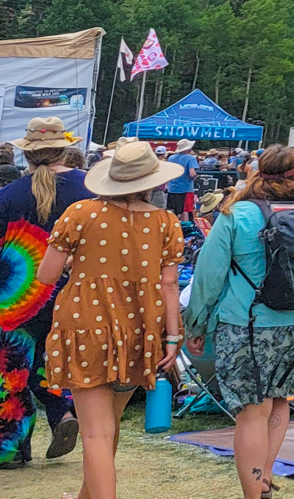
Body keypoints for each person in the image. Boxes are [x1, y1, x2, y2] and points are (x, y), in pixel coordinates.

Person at [186, 146, 294, 499]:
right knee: (279, 400)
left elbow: (208, 277)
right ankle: (263, 478)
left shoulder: (237, 214)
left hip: (247, 324)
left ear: (257, 172)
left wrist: (197, 325)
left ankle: (254, 492)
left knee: (251, 411)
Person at [36, 140, 185, 499]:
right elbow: (169, 285)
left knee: (96, 432)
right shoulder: (166, 221)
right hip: (142, 326)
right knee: (108, 426)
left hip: (85, 322)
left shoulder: (80, 213)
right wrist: (173, 337)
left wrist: (80, 264)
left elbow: (45, 275)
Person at [0, 117, 88, 469]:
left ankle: (10, 450)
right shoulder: (89, 189)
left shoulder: (10, 194)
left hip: (17, 294)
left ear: (28, 154)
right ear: (65, 149)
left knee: (12, 370)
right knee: (54, 361)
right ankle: (61, 409)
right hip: (74, 290)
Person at [166, 139, 199, 215]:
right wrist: (195, 177)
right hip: (186, 189)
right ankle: (185, 226)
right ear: (187, 149)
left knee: (172, 211)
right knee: (185, 211)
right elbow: (192, 174)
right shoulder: (191, 158)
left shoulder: (171, 158)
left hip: (172, 189)